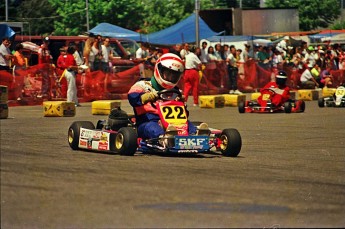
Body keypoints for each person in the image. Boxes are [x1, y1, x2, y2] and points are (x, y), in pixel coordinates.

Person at [128, 53, 208, 142]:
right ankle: (165, 138)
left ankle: (196, 136)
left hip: (173, 122)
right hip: (148, 121)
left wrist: (181, 104)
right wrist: (146, 97)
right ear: (159, 70)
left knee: (188, 124)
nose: (170, 78)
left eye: (174, 75)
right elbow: (132, 98)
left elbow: (184, 115)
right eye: (168, 74)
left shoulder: (175, 91)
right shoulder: (143, 85)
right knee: (153, 128)